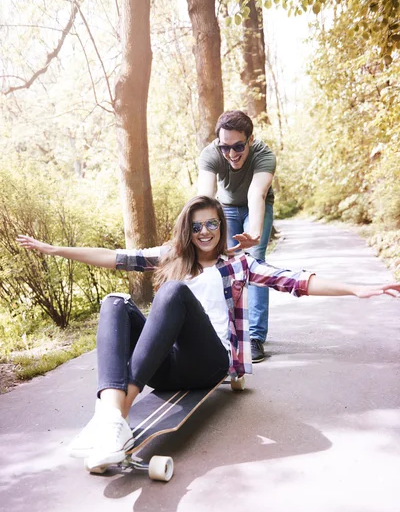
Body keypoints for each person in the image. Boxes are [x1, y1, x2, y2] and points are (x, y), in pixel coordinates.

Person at [17, 196, 400, 471]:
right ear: (189, 229)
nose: (204, 232)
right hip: (166, 367)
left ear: (221, 227)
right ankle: (111, 419)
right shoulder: (169, 257)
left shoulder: (238, 265)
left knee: (172, 291)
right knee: (114, 301)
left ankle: (113, 418)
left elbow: (294, 281)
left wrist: (355, 288)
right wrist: (54, 250)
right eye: (197, 225)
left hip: (210, 362)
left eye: (212, 224)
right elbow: (114, 256)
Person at [198, 110, 276, 363]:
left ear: (250, 140)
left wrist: (254, 233)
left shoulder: (264, 155)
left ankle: (254, 337)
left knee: (256, 262)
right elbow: (205, 197)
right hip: (227, 208)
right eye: (225, 147)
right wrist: (197, 229)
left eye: (238, 146)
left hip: (258, 207)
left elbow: (257, 194)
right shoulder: (211, 155)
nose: (231, 154)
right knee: (227, 266)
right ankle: (225, 333)